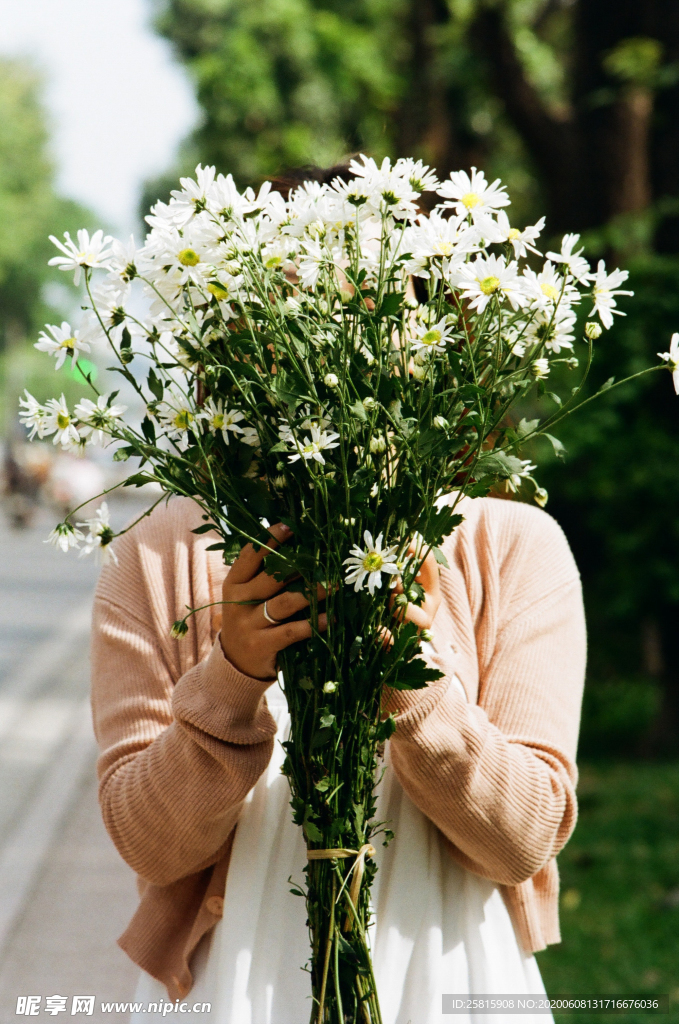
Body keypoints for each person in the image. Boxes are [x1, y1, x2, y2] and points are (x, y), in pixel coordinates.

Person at [90, 168, 586, 1024]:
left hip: (448, 972)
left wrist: (412, 678)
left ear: (438, 337)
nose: (332, 347)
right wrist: (232, 676)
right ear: (234, 333)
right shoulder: (160, 552)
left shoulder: (513, 546)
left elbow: (523, 839)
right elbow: (149, 843)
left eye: (370, 313)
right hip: (233, 983)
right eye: (291, 311)